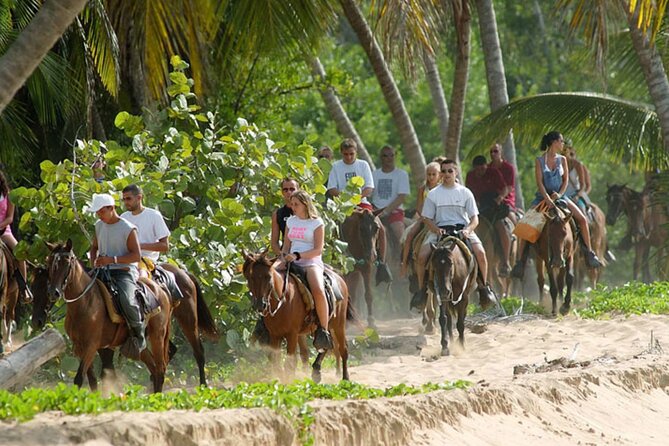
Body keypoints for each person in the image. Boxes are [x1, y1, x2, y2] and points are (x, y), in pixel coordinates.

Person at [511, 132, 602, 279]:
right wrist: (547, 198)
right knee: (525, 225)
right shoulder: (539, 160)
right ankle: (520, 261)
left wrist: (558, 195)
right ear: (554, 142)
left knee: (583, 219)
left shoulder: (563, 160)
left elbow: (565, 180)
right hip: (542, 198)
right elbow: (539, 182)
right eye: (561, 141)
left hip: (561, 197)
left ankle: (589, 254)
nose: (563, 144)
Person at [413, 159, 496, 308]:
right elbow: (426, 218)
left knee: (481, 254)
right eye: (443, 171)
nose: (446, 174)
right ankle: (421, 291)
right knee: (421, 257)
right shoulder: (433, 194)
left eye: (450, 171)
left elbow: (474, 219)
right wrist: (435, 229)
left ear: (456, 172)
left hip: (462, 230)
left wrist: (468, 230)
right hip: (439, 230)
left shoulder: (465, 192)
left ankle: (484, 288)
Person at [88, 193, 145, 358]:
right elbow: (94, 247)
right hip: (102, 270)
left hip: (123, 271)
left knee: (127, 301)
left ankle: (139, 334)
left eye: (101, 212)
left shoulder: (127, 228)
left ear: (111, 208)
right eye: (97, 213)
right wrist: (94, 263)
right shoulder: (99, 225)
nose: (99, 215)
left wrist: (111, 259)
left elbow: (136, 256)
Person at [328, 138, 390, 280]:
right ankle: (335, 258)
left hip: (362, 203)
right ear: (341, 154)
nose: (348, 157)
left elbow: (369, 187)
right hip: (342, 206)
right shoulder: (336, 166)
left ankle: (381, 263)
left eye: (351, 154)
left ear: (356, 152)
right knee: (331, 229)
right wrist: (345, 198)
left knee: (380, 228)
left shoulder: (363, 165)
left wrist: (357, 197)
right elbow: (331, 188)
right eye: (345, 154)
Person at [281, 190, 332, 351]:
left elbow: (318, 250)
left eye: (296, 204)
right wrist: (281, 258)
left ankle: (323, 330)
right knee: (267, 279)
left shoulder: (317, 223)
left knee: (317, 290)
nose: (293, 207)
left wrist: (297, 255)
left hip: (310, 262)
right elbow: (285, 246)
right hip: (291, 259)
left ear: (305, 204)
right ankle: (263, 323)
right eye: (292, 204)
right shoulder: (290, 222)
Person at [465, 155, 513, 276]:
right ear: (474, 168)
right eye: (477, 169)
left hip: (494, 206)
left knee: (501, 227)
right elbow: (468, 193)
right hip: (478, 209)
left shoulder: (494, 172)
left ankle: (505, 262)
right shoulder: (470, 176)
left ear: (486, 166)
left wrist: (500, 198)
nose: (480, 172)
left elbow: (505, 188)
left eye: (482, 169)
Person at [120, 184, 171, 277]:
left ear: (139, 198)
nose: (126, 202)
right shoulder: (123, 217)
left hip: (145, 260)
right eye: (124, 199)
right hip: (123, 259)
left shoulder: (154, 215)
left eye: (128, 199)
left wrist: (139, 246)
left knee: (141, 278)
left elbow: (165, 246)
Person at [401, 161, 440, 276]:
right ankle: (404, 263)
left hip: (439, 220)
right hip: (424, 218)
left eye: (434, 174)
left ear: (439, 175)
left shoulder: (442, 189)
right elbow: (419, 206)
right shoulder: (423, 189)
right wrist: (424, 217)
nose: (431, 177)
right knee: (410, 234)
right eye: (429, 174)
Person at [0, 170, 32, 301]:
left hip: (3, 232)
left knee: (20, 253)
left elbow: (9, 218)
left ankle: (24, 288)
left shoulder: (9, 195)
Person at [372, 145, 410, 244]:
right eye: (385, 156)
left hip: (394, 211)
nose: (389, 158)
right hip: (376, 209)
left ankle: (404, 257)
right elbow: (369, 193)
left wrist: (386, 211)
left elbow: (402, 197)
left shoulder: (401, 174)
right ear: (381, 158)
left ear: (395, 156)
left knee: (399, 230)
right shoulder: (374, 174)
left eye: (391, 155)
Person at [270, 178, 299, 256]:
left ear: (298, 190)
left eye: (292, 189)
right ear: (282, 192)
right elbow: (274, 243)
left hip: (304, 254)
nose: (289, 192)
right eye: (285, 190)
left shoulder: (307, 213)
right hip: (285, 254)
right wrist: (282, 256)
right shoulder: (278, 214)